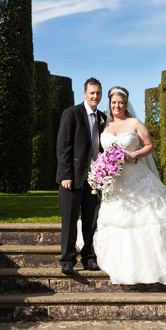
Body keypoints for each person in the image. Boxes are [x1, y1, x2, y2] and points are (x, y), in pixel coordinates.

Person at [93, 86, 166, 287]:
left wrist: (134, 155)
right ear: (109, 104)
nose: (117, 106)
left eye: (120, 102)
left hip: (136, 179)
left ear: (126, 103)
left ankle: (156, 266)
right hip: (115, 183)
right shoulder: (105, 125)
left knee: (147, 220)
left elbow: (148, 145)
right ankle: (122, 266)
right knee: (117, 222)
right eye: (113, 102)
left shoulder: (135, 123)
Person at [56, 78, 106, 274]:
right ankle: (67, 260)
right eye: (92, 92)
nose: (95, 96)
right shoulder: (72, 114)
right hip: (73, 177)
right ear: (84, 94)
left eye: (98, 93)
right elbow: (63, 147)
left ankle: (89, 257)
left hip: (95, 179)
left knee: (91, 220)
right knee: (69, 219)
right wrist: (65, 175)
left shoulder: (102, 117)